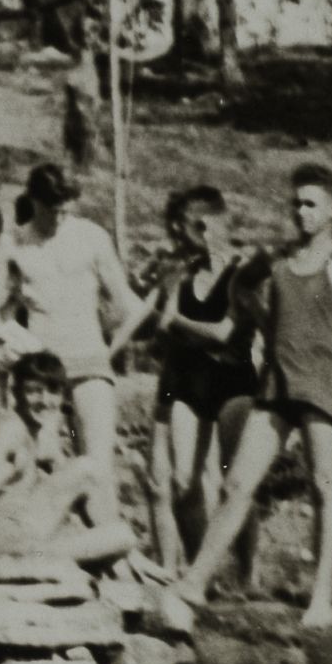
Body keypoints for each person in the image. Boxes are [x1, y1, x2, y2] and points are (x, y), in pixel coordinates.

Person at [161, 164, 332, 633]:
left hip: (320, 387)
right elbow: (239, 285)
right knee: (237, 483)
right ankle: (195, 583)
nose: (300, 212)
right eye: (295, 203)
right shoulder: (275, 257)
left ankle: (321, 598)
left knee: (324, 484)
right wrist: (259, 316)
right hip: (276, 385)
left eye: (311, 204)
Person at [0, 162, 139, 527]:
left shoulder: (92, 237)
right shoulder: (14, 243)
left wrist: (109, 351)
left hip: (89, 360)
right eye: (52, 208)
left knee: (98, 468)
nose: (59, 216)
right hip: (41, 368)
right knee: (41, 462)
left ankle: (109, 557)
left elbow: (128, 305)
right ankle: (54, 550)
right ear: (34, 201)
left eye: (66, 207)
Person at [126, 185, 257, 572]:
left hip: (232, 380)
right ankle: (204, 571)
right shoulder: (179, 269)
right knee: (183, 481)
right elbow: (152, 332)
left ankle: (248, 571)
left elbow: (224, 333)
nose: (177, 235)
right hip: (187, 379)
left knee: (235, 481)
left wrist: (173, 321)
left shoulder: (240, 270)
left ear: (207, 224)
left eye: (184, 226)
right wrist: (150, 299)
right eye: (176, 227)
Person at [0, 351, 138, 568]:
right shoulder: (10, 431)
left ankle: (123, 561)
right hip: (12, 548)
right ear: (17, 392)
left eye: (53, 392)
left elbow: (69, 479)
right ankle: (123, 562)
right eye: (33, 391)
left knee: (86, 467)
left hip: (23, 528)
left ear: (63, 394)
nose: (44, 401)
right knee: (123, 536)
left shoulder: (31, 428)